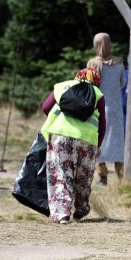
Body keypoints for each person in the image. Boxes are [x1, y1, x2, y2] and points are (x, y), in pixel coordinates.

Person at [40, 68, 106, 224]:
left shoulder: (62, 86)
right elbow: (102, 123)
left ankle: (62, 213)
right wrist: (98, 145)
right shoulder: (97, 93)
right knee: (83, 176)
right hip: (87, 140)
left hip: (61, 136)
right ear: (95, 80)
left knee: (62, 174)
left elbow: (45, 107)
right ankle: (81, 209)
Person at [87, 32, 126, 186]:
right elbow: (123, 83)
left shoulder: (92, 64)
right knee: (117, 142)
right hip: (116, 109)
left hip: (99, 107)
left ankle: (103, 177)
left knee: (100, 140)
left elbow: (88, 85)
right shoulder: (119, 63)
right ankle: (120, 175)